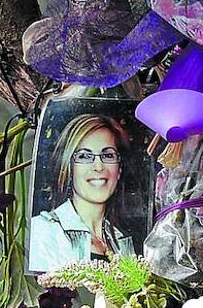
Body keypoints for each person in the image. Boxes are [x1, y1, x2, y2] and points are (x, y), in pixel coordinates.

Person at [29, 114, 136, 273]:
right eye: (84, 156)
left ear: (119, 170)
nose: (99, 167)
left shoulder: (122, 241)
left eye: (108, 155)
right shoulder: (44, 230)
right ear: (68, 167)